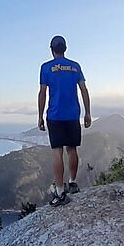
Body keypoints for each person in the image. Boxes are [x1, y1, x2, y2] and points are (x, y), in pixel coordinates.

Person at [38, 35, 91, 207]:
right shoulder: (75, 67)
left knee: (57, 152)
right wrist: (88, 113)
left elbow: (42, 93)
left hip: (55, 115)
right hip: (73, 115)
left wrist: (40, 116)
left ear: (51, 49)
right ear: (65, 48)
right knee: (72, 149)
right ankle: (73, 182)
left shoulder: (46, 68)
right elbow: (84, 90)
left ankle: (60, 192)